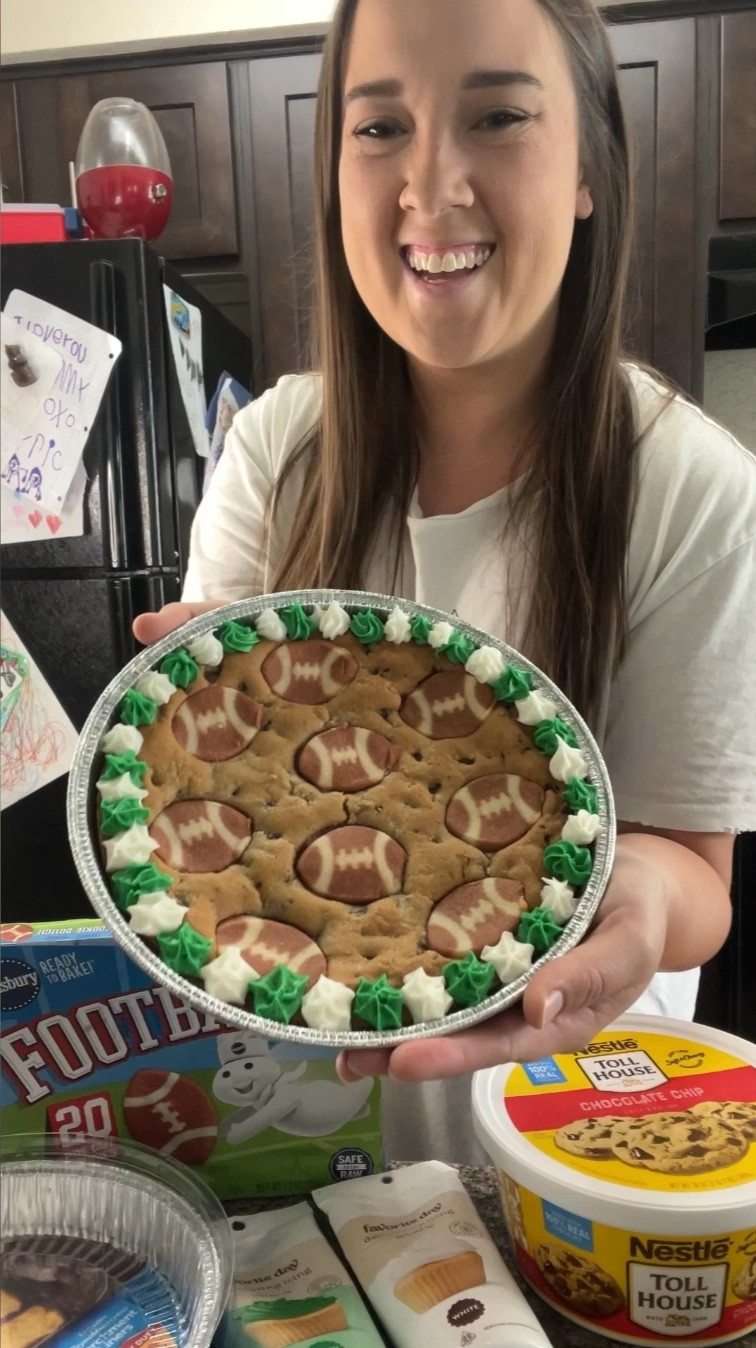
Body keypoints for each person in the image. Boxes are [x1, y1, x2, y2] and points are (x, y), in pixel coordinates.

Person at [134, 0, 756, 1144]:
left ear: (588, 167)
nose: (430, 184)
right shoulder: (279, 450)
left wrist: (644, 901)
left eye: (499, 116)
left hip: (575, 1152)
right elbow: (215, 821)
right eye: (378, 130)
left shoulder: (693, 487)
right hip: (304, 1152)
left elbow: (694, 869)